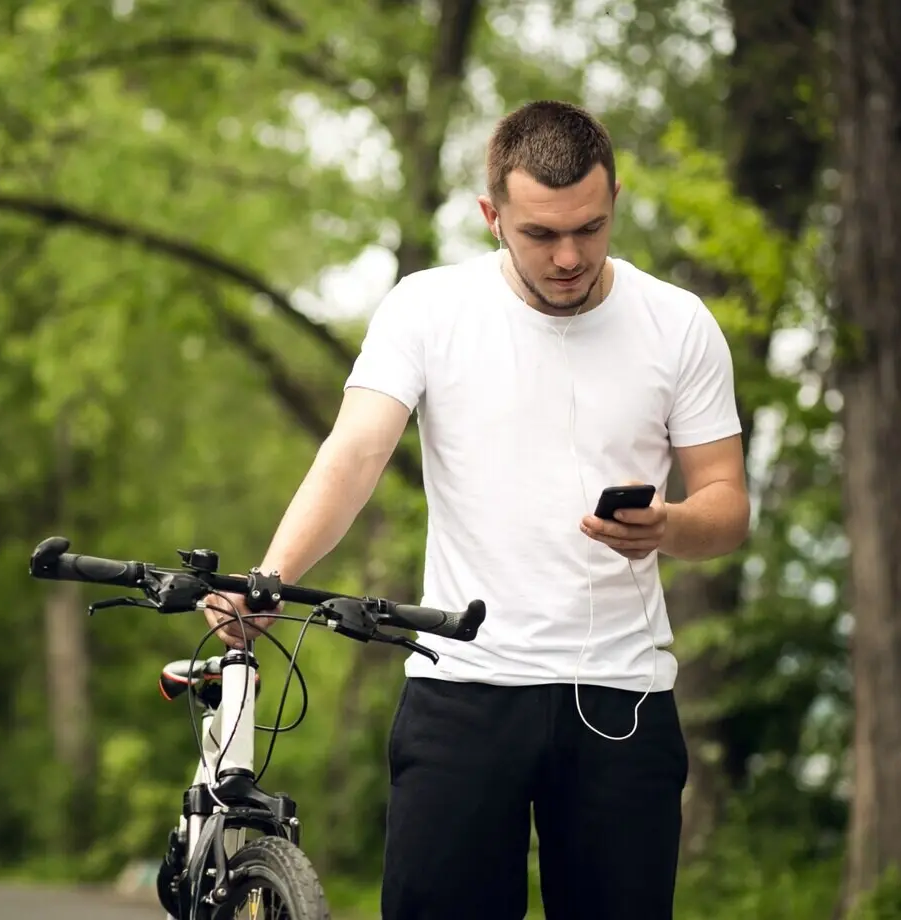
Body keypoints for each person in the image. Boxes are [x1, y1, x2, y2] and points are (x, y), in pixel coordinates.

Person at [203, 100, 750, 920]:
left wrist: (669, 525)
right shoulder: (428, 308)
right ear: (492, 216)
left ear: (616, 200)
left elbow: (728, 505)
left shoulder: (678, 324)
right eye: (540, 234)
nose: (570, 256)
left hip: (621, 699)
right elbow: (354, 455)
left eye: (590, 228)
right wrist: (271, 578)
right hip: (462, 687)